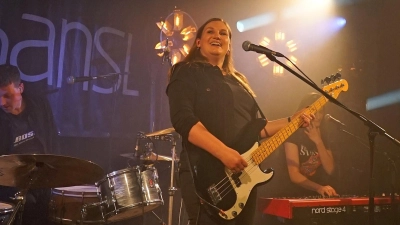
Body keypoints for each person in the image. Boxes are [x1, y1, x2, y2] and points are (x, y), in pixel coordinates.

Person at [166, 18, 314, 225]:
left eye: (223, 33)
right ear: (198, 42)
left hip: (242, 176)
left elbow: (257, 128)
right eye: (210, 31)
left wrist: (292, 119)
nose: (217, 35)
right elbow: (183, 120)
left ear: (229, 46)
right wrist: (224, 153)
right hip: (205, 175)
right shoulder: (186, 71)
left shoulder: (239, 81)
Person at [0, 64, 59, 225]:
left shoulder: (40, 106)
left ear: (21, 88)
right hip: (9, 190)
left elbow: (52, 141)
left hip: (43, 183)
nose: (2, 102)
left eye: (7, 95)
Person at [283, 92, 338, 197]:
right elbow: (294, 175)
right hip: (294, 194)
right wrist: (318, 188)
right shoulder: (293, 133)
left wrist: (318, 141)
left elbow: (330, 169)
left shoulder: (324, 134)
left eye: (321, 112)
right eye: (314, 112)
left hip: (319, 194)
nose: (318, 116)